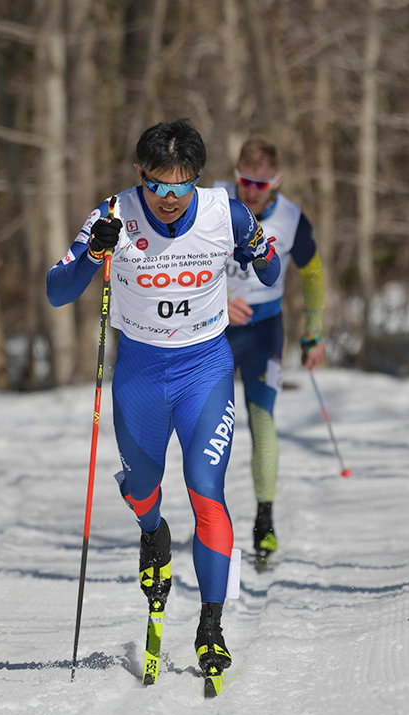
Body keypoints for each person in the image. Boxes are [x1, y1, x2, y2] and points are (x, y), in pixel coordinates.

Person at [46, 120, 280, 680]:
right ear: (139, 176)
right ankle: (154, 534)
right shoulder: (113, 215)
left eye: (183, 186)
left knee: (206, 491)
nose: (171, 200)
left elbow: (270, 273)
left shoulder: (227, 212)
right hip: (141, 375)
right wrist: (90, 258)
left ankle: (210, 626)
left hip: (205, 369)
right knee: (143, 493)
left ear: (197, 179)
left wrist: (256, 247)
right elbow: (57, 291)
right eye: (159, 186)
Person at [214, 137, 325, 562]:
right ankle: (210, 520)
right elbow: (181, 262)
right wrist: (218, 300)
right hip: (213, 329)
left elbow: (312, 274)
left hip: (264, 331)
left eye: (261, 184)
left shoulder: (293, 218)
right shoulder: (212, 204)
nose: (251, 191)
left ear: (276, 182)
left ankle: (264, 521)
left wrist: (313, 332)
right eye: (244, 180)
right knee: (210, 426)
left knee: (263, 418)